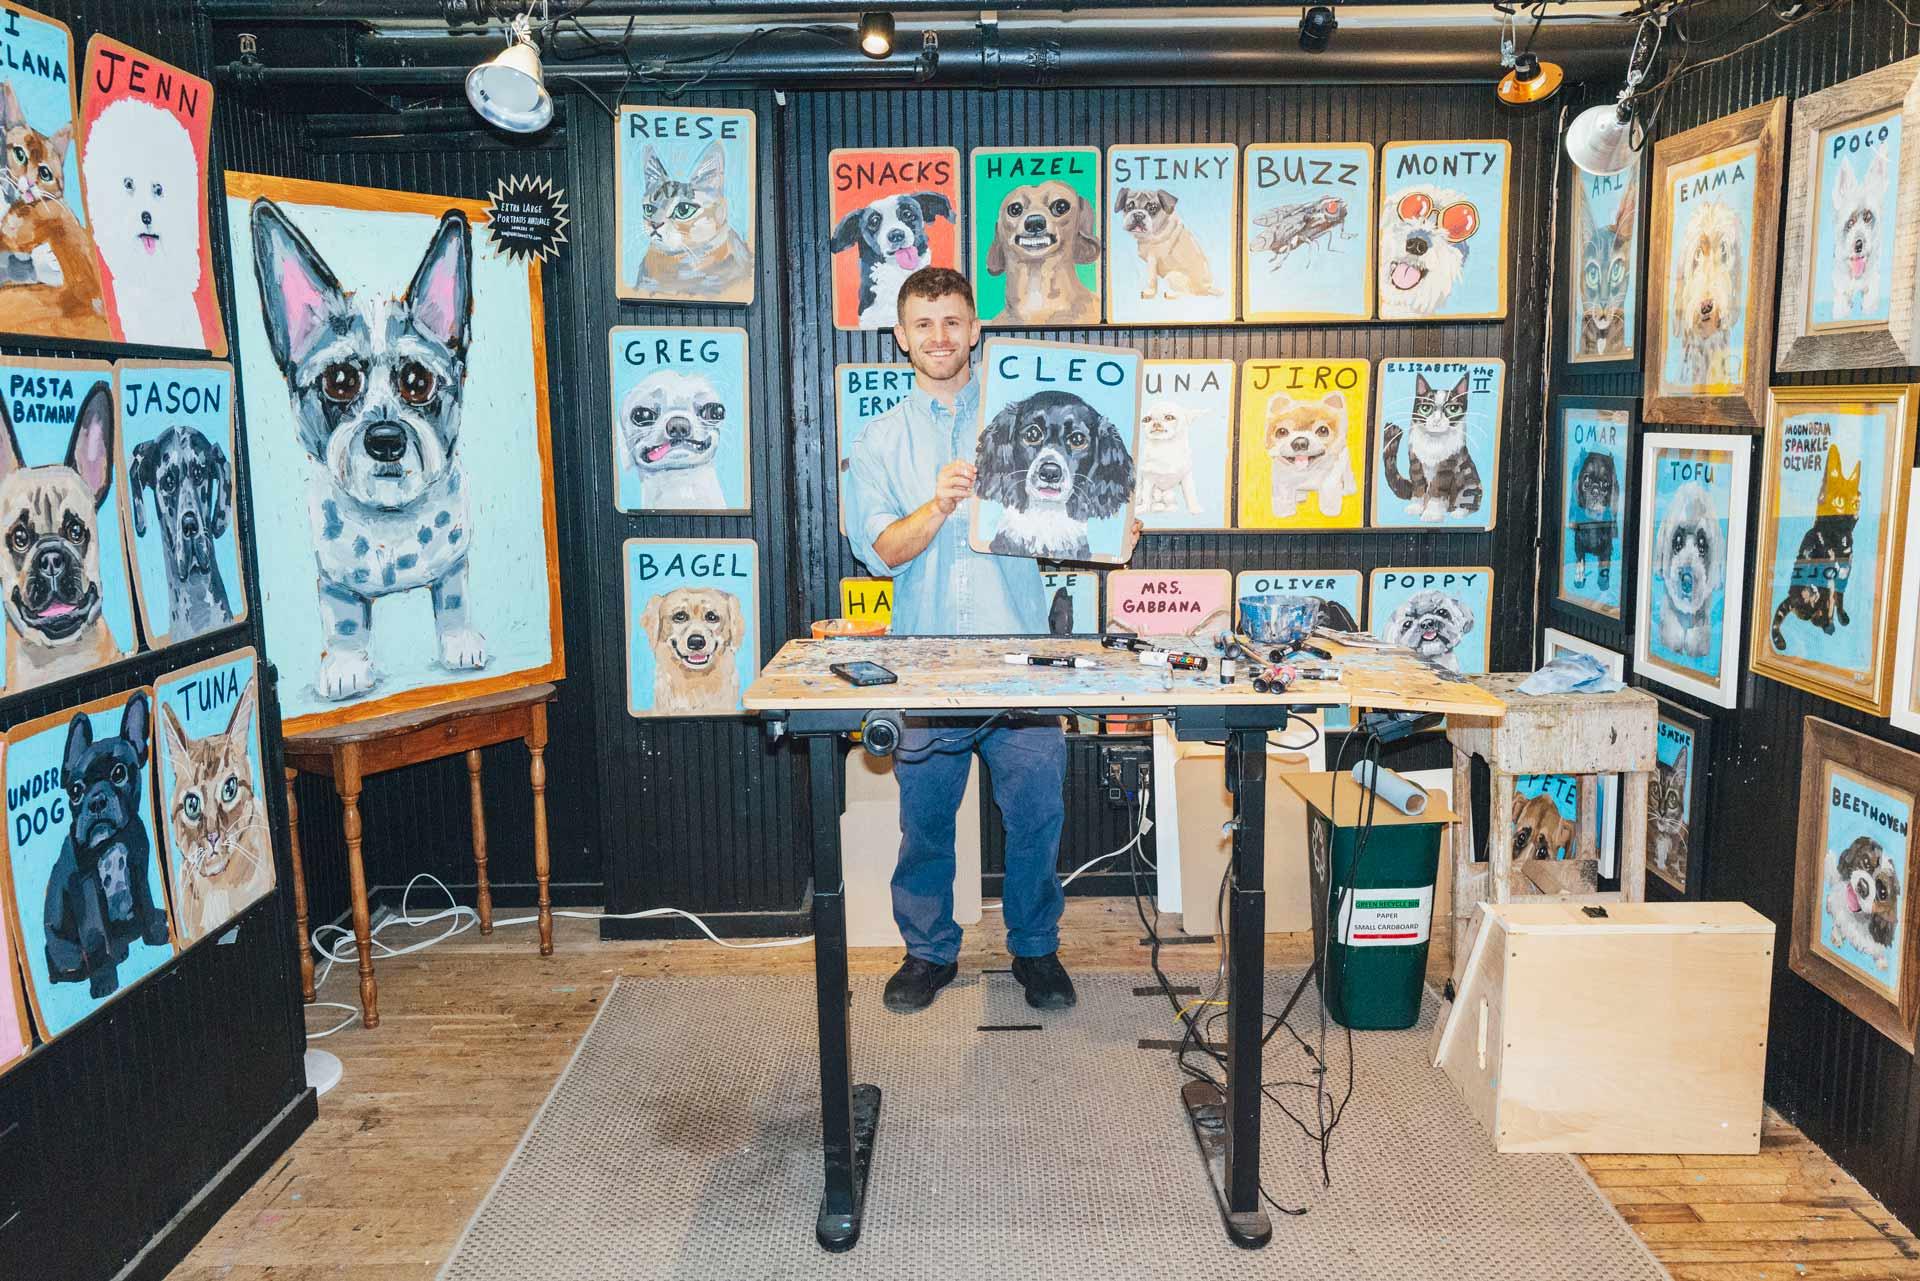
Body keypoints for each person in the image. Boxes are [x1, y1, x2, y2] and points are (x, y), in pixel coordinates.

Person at [843, 266, 1136, 1014]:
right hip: (925, 664)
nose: (940, 336)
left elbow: (1066, 518)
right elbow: (880, 550)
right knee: (925, 825)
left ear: (977, 329)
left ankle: (1036, 950)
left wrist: (1110, 534)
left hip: (1022, 661)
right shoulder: (879, 440)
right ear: (902, 337)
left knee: (1038, 817)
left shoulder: (1025, 412)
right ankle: (928, 952)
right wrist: (937, 506)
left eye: (953, 321)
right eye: (924, 324)